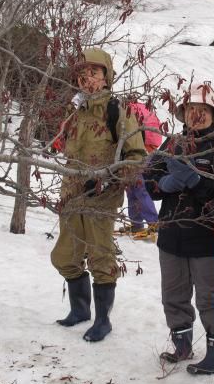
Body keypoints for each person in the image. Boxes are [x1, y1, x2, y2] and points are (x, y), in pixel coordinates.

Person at [50, 47, 146, 342]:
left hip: (102, 196)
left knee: (100, 257)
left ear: (106, 77)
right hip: (72, 193)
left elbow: (137, 156)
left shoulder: (118, 109)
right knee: (65, 256)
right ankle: (80, 310)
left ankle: (103, 320)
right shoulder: (75, 110)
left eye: (94, 72)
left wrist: (108, 180)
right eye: (83, 72)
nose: (87, 77)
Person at [143, 83, 214, 375]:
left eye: (203, 110)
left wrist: (197, 182)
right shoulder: (171, 144)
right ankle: (181, 344)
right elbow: (149, 180)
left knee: (210, 297)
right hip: (171, 234)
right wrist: (162, 185)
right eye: (191, 109)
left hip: (207, 236)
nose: (196, 115)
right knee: (174, 294)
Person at [119, 100, 161, 239]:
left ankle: (153, 223)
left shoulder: (130, 112)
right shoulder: (140, 110)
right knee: (131, 190)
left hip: (138, 153)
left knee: (139, 189)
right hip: (138, 153)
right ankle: (136, 224)